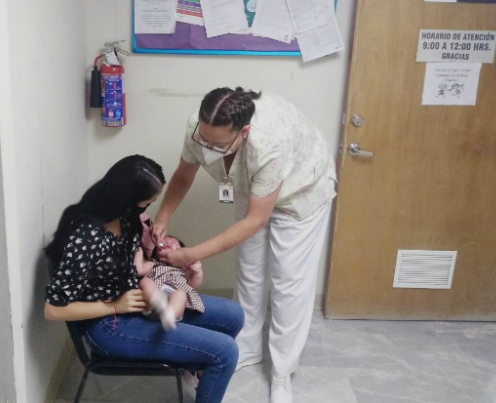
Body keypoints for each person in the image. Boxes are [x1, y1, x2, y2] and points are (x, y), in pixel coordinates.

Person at [153, 88, 337, 403]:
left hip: (301, 193)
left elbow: (255, 221)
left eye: (219, 145)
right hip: (251, 187)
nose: (208, 149)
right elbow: (183, 176)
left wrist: (190, 254)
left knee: (289, 281)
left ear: (244, 132)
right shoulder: (198, 126)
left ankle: (282, 369)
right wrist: (162, 217)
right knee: (249, 270)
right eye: (204, 140)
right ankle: (247, 346)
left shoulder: (269, 142)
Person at [44, 155, 244, 403]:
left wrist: (169, 263)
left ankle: (194, 369)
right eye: (147, 202)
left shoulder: (124, 216)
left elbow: (133, 262)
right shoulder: (86, 236)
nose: (148, 208)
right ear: (127, 197)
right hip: (110, 326)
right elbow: (53, 309)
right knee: (225, 352)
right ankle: (200, 361)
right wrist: (115, 306)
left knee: (233, 315)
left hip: (140, 305)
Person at [135, 233, 205, 330]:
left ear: (182, 251)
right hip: (155, 297)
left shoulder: (184, 268)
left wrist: (198, 273)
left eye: (173, 242)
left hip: (172, 297)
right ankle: (155, 301)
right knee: (145, 281)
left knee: (181, 294)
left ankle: (171, 314)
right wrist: (139, 253)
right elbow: (138, 270)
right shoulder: (154, 263)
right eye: (163, 242)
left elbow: (193, 285)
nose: (167, 242)